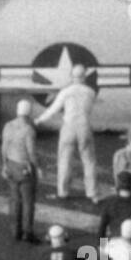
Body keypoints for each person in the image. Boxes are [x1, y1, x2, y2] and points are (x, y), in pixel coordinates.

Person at [36, 64, 99, 202]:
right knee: (89, 162)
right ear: (84, 77)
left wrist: (39, 120)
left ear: (72, 76)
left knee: (64, 160)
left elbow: (53, 109)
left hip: (69, 127)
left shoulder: (65, 92)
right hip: (84, 126)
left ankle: (63, 192)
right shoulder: (91, 92)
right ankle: (92, 193)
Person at [0, 99, 41, 242]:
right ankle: (27, 232)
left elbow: (4, 148)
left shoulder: (8, 126)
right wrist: (37, 167)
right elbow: (31, 152)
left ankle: (15, 231)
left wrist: (4, 164)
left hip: (11, 165)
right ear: (29, 112)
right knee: (28, 202)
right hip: (24, 168)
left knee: (14, 200)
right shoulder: (28, 130)